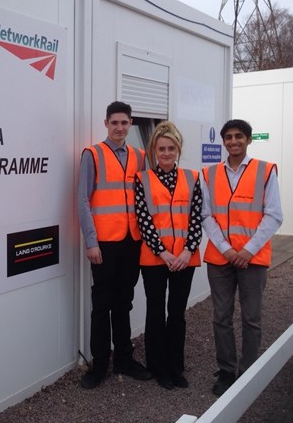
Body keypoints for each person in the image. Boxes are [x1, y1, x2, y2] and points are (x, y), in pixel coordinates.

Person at [202, 119, 283, 396]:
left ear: (248, 140)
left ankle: (248, 372)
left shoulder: (265, 171)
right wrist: (226, 249)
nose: (233, 141)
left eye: (238, 137)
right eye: (228, 137)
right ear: (223, 141)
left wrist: (247, 250)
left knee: (252, 318)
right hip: (220, 258)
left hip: (252, 258)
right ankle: (226, 371)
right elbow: (206, 215)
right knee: (221, 318)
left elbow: (273, 216)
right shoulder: (209, 174)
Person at [77, 101, 153, 389]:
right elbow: (83, 200)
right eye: (114, 123)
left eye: (125, 123)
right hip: (104, 245)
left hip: (132, 242)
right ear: (106, 124)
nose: (120, 127)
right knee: (101, 306)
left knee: (124, 303)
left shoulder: (139, 156)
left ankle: (124, 359)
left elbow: (145, 199)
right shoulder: (93, 154)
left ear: (131, 124)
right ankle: (99, 366)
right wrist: (91, 242)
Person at [133, 121, 202, 390]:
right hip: (154, 259)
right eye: (161, 148)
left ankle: (176, 366)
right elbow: (144, 220)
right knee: (154, 312)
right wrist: (163, 253)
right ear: (153, 151)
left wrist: (187, 251)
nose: (166, 153)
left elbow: (196, 217)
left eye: (171, 148)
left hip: (185, 259)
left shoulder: (193, 177)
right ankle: (158, 367)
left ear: (178, 149)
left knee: (176, 313)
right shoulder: (142, 180)